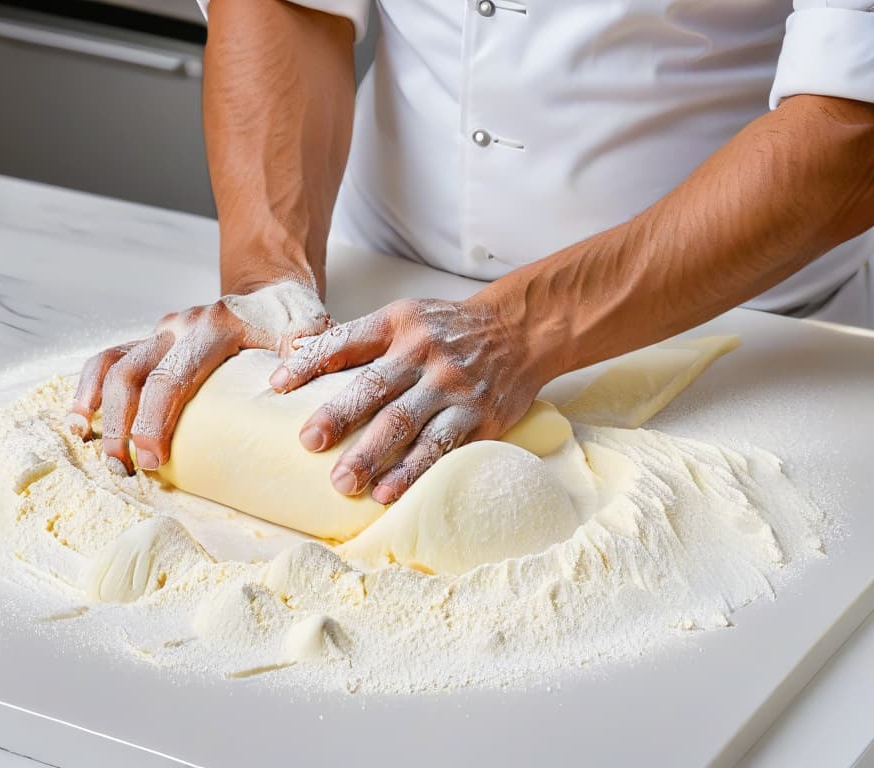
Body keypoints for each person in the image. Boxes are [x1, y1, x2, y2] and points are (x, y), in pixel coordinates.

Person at [69, 0, 874, 505]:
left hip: (739, 330)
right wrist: (268, 277)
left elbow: (850, 130)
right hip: (377, 290)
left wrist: (521, 328)